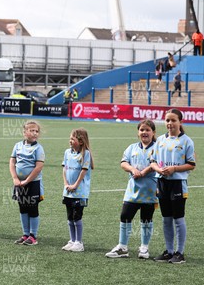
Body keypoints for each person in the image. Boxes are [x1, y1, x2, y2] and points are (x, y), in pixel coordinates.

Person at [105, 120, 157, 259]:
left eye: (147, 130)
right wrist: (133, 169)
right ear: (138, 132)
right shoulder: (132, 148)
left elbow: (158, 164)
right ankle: (123, 247)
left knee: (146, 219)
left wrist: (145, 171)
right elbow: (123, 162)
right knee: (125, 216)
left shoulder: (158, 148)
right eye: (141, 130)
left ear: (153, 132)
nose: (144, 132)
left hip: (150, 191)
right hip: (132, 191)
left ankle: (144, 248)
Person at [150, 109, 196, 264]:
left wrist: (174, 169)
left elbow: (191, 164)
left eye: (173, 120)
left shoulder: (186, 141)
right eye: (167, 120)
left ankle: (180, 253)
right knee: (166, 218)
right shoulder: (160, 140)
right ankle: (169, 252)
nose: (169, 123)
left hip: (178, 184)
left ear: (180, 122)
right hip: (162, 182)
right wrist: (158, 169)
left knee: (178, 218)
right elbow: (153, 161)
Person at [9, 121, 45, 246]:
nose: (35, 133)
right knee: (23, 208)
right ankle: (25, 234)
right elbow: (12, 162)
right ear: (24, 132)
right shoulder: (18, 145)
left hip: (33, 183)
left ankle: (33, 236)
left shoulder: (38, 148)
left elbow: (38, 167)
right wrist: (15, 178)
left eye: (36, 131)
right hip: (19, 183)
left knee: (32, 208)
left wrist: (27, 180)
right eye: (32, 130)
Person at [61, 128, 94, 252]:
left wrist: (75, 185)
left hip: (79, 192)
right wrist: (66, 184)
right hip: (68, 191)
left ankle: (79, 242)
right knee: (69, 216)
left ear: (81, 141)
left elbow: (83, 171)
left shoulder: (86, 154)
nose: (70, 141)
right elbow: (64, 169)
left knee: (77, 216)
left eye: (72, 139)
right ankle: (72, 240)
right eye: (70, 138)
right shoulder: (67, 152)